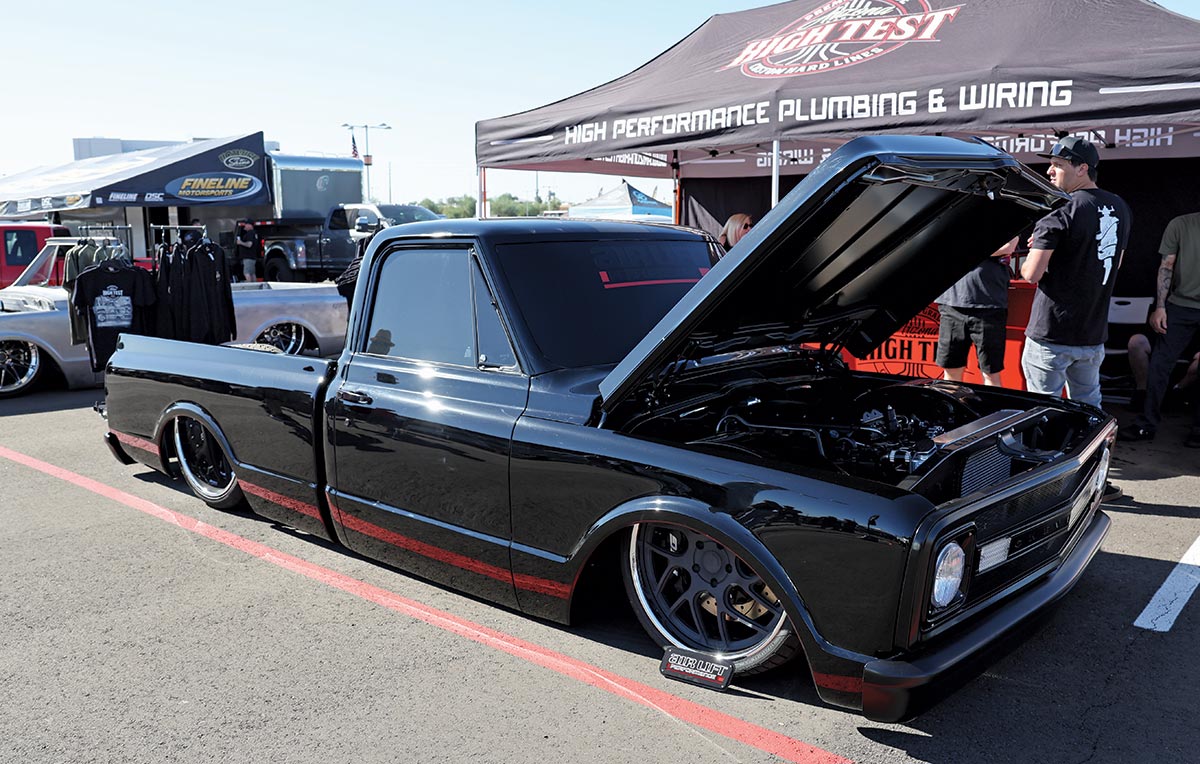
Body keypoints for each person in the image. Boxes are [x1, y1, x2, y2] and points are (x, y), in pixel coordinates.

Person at [1020, 136, 1130, 501]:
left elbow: (1031, 274)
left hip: (1051, 332)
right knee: (1089, 410)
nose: (1050, 170)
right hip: (1092, 333)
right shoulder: (1119, 207)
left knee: (1042, 412)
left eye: (1058, 165)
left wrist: (1023, 260)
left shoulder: (1060, 209)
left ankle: (1044, 490)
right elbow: (1117, 263)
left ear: (1083, 168)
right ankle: (1098, 481)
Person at [1119, 207, 1200, 447]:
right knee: (1160, 364)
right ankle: (1146, 424)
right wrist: (1161, 306)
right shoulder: (1181, 224)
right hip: (1180, 305)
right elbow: (1167, 266)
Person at [936, 236, 1017, 386]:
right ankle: (953, 408)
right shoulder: (959, 215)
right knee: (951, 370)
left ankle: (991, 409)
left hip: (990, 308)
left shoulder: (1005, 216)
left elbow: (1008, 246)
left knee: (991, 373)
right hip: (951, 305)